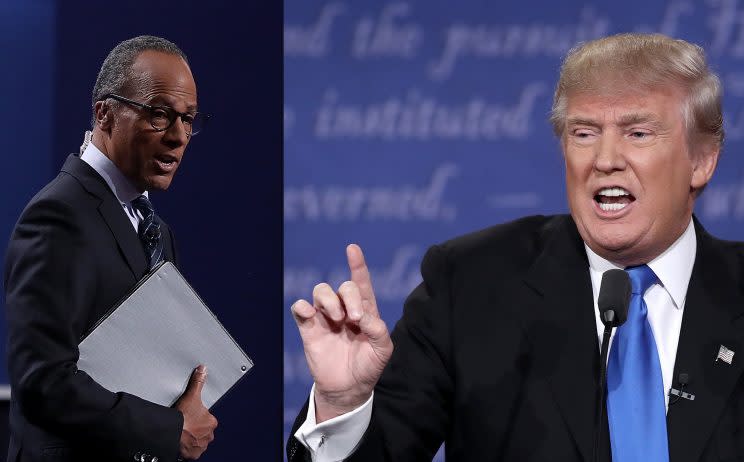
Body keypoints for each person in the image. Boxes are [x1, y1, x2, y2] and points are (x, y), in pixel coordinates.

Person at [287, 33, 744, 461]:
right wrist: (342, 405)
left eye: (637, 133)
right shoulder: (469, 284)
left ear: (702, 160)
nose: (605, 160)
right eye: (584, 133)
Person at [5, 36, 217, 462]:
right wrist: (166, 431)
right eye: (159, 114)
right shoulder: (59, 215)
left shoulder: (157, 229)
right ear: (105, 112)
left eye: (188, 119)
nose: (177, 137)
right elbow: (42, 380)